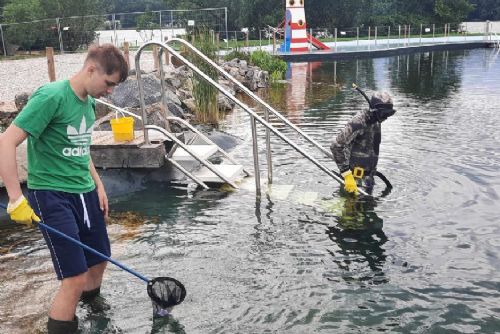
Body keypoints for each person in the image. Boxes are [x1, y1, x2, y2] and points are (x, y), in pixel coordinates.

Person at [0, 44, 128, 333]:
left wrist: (99, 186)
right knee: (75, 276)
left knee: (98, 261)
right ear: (91, 69)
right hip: (52, 194)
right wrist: (15, 197)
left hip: (84, 192)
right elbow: (6, 142)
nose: (110, 92)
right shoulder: (51, 96)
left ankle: (94, 315)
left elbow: (81, 148)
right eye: (108, 83)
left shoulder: (90, 104)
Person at [331, 86, 396, 195]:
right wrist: (346, 174)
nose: (386, 117)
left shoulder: (376, 121)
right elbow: (336, 145)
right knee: (351, 211)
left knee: (365, 210)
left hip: (367, 180)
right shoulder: (359, 122)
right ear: (374, 110)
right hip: (353, 180)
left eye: (389, 114)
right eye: (384, 114)